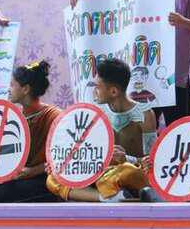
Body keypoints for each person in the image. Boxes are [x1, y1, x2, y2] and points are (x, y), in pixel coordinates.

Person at [46, 59, 156, 203]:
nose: (94, 91)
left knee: (127, 171)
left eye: (97, 87)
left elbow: (150, 162)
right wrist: (60, 163)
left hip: (128, 174)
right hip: (101, 173)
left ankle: (112, 193)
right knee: (53, 179)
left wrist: (127, 159)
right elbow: (83, 152)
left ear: (113, 91)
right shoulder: (96, 113)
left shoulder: (145, 114)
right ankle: (106, 198)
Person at [0, 60, 60, 202]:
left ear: (25, 89)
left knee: (7, 191)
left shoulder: (54, 116)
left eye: (12, 85)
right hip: (17, 177)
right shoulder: (12, 118)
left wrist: (32, 171)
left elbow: (61, 159)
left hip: (44, 178)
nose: (8, 90)